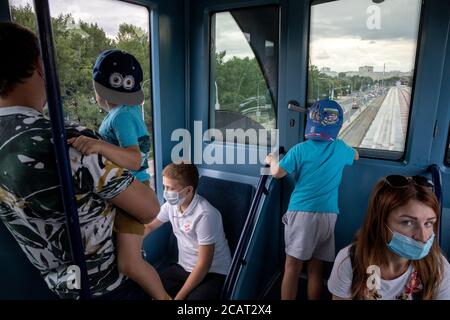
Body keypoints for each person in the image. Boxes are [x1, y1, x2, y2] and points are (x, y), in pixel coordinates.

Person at [0, 22, 160, 299]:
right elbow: (148, 209)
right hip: (110, 287)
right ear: (40, 66)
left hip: (61, 288)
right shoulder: (65, 141)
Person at [67, 49, 169, 299]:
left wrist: (99, 145)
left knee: (128, 264)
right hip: (129, 192)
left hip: (135, 195)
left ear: (98, 90)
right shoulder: (127, 112)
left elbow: (134, 159)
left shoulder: (121, 115)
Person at [265, 99, 359, 300]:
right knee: (316, 269)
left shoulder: (300, 149)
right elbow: (356, 156)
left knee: (292, 267)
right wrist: (345, 149)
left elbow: (278, 173)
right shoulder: (341, 149)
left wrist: (272, 159)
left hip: (302, 214)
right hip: (328, 215)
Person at [328, 175, 450, 300]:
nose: (423, 237)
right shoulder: (350, 261)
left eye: (428, 223)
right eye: (408, 222)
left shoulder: (438, 267)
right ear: (380, 223)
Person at [145, 163, 232, 300]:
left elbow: (204, 264)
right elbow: (149, 226)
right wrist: (133, 242)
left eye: (170, 188)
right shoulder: (171, 206)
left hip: (212, 272)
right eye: (164, 187)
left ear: (188, 190)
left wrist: (179, 297)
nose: (166, 192)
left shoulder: (205, 215)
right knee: (151, 290)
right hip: (184, 267)